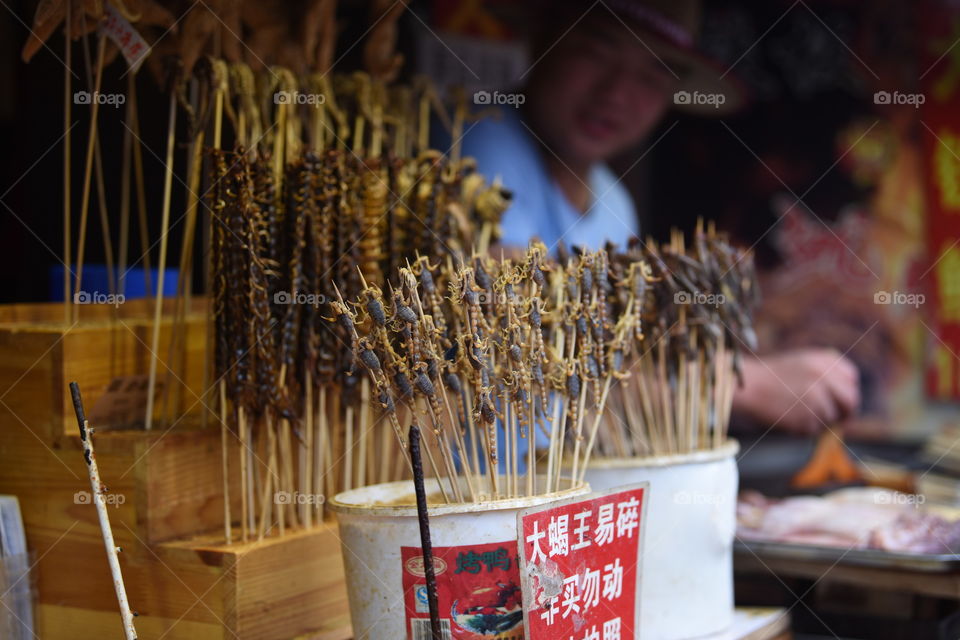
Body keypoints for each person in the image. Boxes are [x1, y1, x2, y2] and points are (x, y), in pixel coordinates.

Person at [452, 0, 860, 435]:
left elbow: (610, 362)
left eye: (654, 73)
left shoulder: (613, 202)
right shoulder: (482, 139)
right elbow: (526, 338)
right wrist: (746, 384)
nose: (616, 93)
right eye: (597, 52)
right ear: (544, 38)